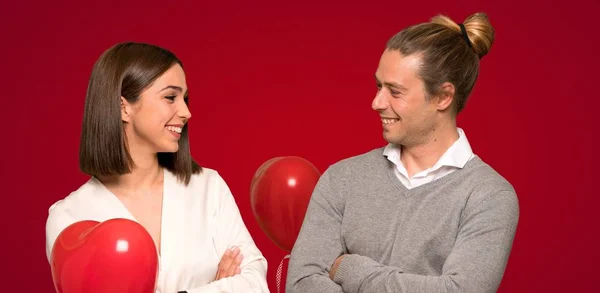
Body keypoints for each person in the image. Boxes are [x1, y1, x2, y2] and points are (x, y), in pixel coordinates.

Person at [286, 12, 519, 293]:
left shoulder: (488, 196)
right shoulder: (342, 179)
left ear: (443, 97)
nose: (376, 102)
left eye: (395, 92)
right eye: (378, 86)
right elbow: (302, 283)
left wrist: (351, 269)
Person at [45, 42, 270, 293]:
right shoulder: (70, 216)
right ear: (124, 107)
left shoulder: (208, 188)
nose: (186, 112)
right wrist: (218, 288)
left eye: (184, 99)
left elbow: (254, 283)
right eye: (170, 97)